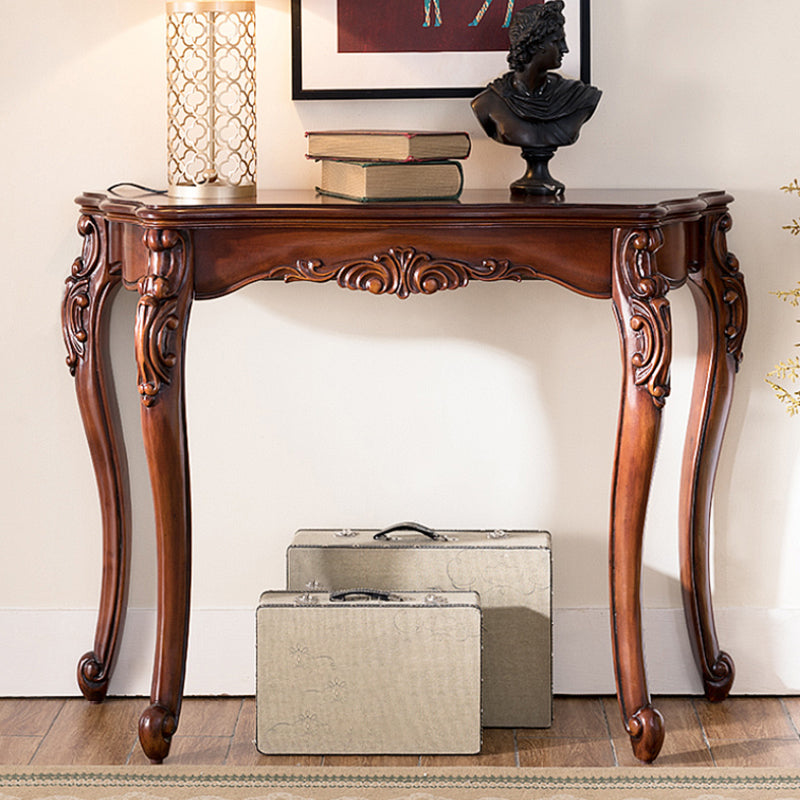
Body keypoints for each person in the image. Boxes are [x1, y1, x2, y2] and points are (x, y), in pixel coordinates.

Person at [471, 0, 601, 192]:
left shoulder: (580, 98)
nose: (565, 49)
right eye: (557, 42)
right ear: (534, 44)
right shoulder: (487, 104)